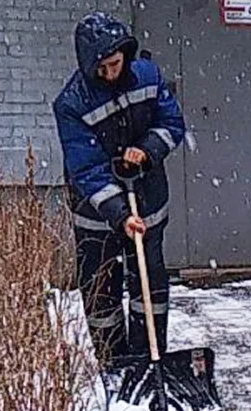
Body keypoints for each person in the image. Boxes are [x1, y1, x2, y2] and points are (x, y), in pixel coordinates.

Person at [53, 12, 186, 371]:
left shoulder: (147, 75)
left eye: (115, 64)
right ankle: (114, 363)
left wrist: (146, 150)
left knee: (149, 284)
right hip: (97, 214)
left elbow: (171, 123)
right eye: (102, 68)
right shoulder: (71, 103)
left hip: (148, 198)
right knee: (101, 291)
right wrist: (120, 214)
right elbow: (87, 169)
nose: (111, 73)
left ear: (124, 54)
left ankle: (148, 358)